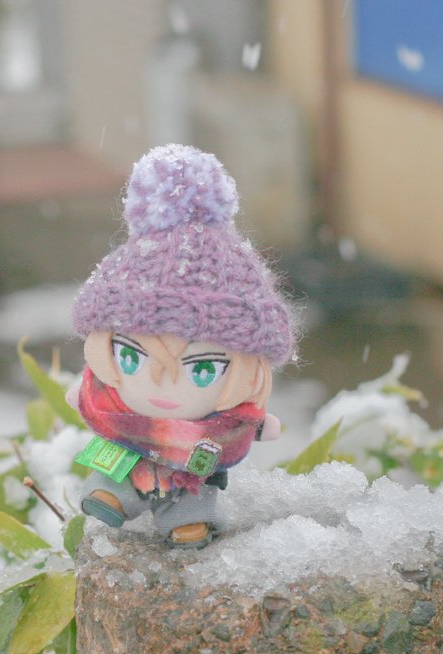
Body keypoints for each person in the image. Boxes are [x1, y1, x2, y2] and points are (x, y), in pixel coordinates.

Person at [68, 144, 299, 548]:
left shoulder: (224, 430)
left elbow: (254, 423)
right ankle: (112, 495)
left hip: (195, 461)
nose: (164, 388)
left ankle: (186, 518)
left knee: (194, 486)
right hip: (127, 446)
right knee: (117, 464)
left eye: (203, 369)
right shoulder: (108, 406)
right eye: (130, 357)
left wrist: (259, 423)